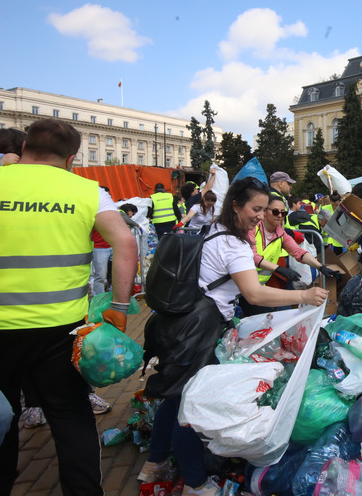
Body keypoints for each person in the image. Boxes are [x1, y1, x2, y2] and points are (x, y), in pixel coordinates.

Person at [138, 177, 329, 496]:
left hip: (179, 322)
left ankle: (154, 463)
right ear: (236, 205)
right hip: (199, 329)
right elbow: (254, 294)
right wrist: (305, 296)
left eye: (264, 209)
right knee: (192, 405)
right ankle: (195, 484)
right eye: (256, 209)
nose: (260, 215)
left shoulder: (215, 228)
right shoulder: (236, 244)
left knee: (174, 398)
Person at [0, 119, 138, 496]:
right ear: (71, 157)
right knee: (70, 416)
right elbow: (126, 244)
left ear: (25, 147)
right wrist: (118, 306)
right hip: (60, 330)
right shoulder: (86, 190)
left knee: (0, 419)